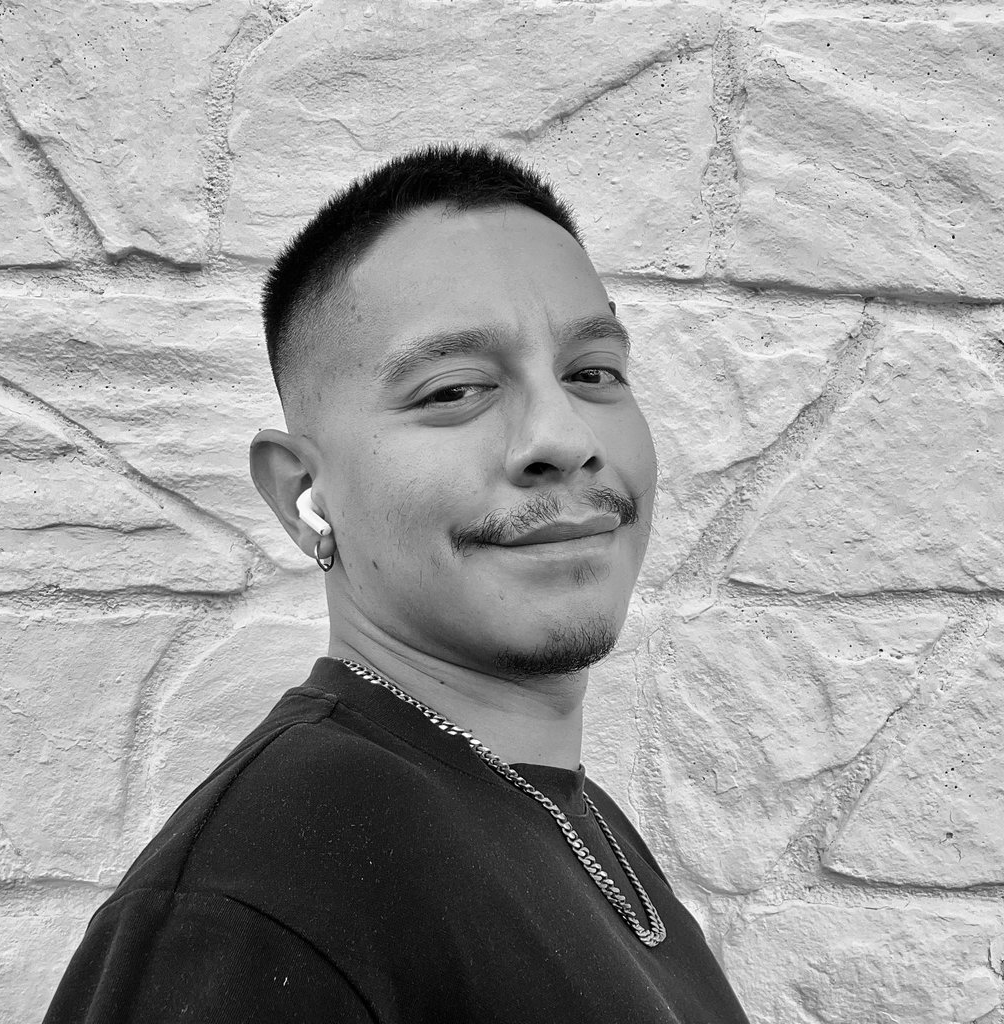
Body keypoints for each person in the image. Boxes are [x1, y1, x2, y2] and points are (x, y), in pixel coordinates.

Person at [44, 143, 751, 1023]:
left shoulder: (557, 808)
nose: (565, 437)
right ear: (303, 493)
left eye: (592, 374)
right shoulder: (265, 891)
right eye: (455, 390)